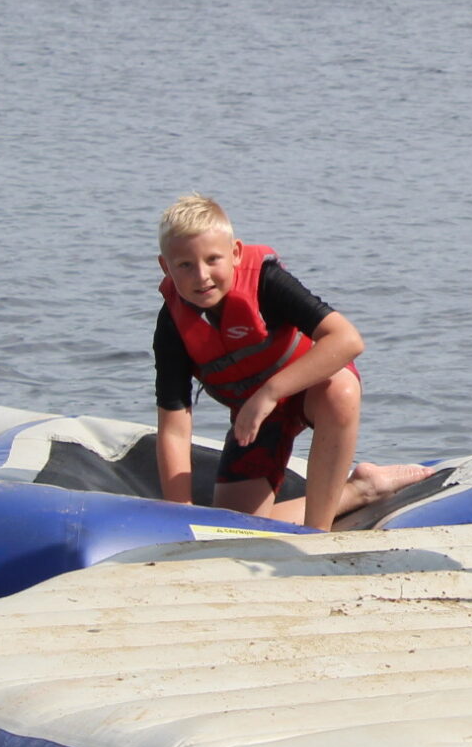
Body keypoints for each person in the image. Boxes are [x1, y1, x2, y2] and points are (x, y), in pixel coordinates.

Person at [152, 193, 431, 531]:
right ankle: (361, 488)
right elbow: (175, 427)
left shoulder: (267, 282)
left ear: (236, 253)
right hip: (259, 418)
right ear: (166, 267)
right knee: (236, 527)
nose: (202, 276)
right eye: (185, 265)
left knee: (341, 390)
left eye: (213, 259)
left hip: (308, 392)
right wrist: (179, 516)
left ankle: (318, 534)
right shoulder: (172, 324)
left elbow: (347, 340)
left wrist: (267, 394)